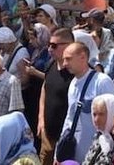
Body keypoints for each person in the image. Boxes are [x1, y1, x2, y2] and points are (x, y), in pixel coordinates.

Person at [58, 42, 114, 164]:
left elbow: (112, 119)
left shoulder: (102, 82)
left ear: (83, 57)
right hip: (74, 153)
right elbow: (69, 117)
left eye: (68, 59)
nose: (64, 64)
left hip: (96, 154)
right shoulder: (73, 83)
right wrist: (58, 153)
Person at [37, 29, 74, 165]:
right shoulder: (51, 64)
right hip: (47, 134)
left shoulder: (76, 72)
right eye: (49, 44)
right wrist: (41, 119)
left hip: (66, 137)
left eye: (54, 45)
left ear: (69, 45)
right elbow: (44, 89)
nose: (49, 49)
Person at [81, 94, 114, 165]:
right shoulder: (100, 135)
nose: (96, 119)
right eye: (94, 114)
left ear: (113, 112)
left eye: (101, 114)